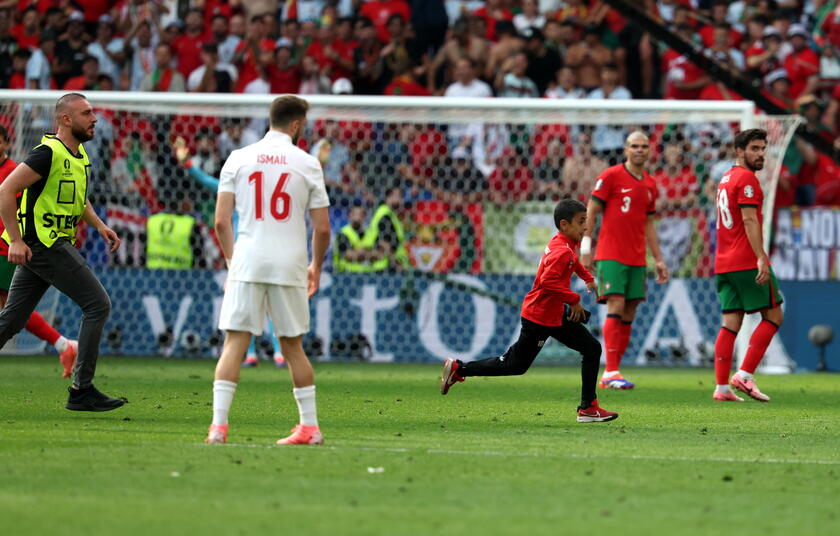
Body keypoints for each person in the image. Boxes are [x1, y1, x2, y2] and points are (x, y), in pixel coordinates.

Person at [207, 95, 331, 445]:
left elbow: (220, 221)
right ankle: (309, 427)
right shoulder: (306, 163)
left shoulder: (238, 158)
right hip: (289, 262)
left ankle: (218, 427)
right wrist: (316, 267)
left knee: (234, 344)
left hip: (247, 260)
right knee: (293, 347)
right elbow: (322, 229)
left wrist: (233, 261)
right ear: (295, 124)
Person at [440, 199, 618, 423]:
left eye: (587, 221)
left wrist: (587, 278)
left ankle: (588, 408)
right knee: (514, 365)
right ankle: (459, 369)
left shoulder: (563, 244)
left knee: (591, 348)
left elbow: (573, 262)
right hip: (539, 317)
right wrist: (573, 298)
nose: (586, 226)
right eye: (581, 221)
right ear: (564, 225)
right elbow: (547, 282)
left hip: (553, 314)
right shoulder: (561, 251)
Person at [0, 93, 124, 412]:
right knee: (97, 304)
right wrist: (15, 239)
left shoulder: (79, 156)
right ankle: (81, 390)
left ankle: (82, 389)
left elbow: (76, 199)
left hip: (43, 245)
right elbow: (5, 190)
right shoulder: (46, 153)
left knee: (11, 320)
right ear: (66, 119)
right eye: (87, 113)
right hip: (44, 243)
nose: (95, 118)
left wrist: (98, 225)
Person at [173, 139, 286, 368]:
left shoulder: (232, 186)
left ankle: (253, 354)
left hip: (240, 253)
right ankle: (277, 354)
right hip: (263, 249)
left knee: (247, 304)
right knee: (269, 302)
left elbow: (204, 181)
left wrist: (187, 164)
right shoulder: (263, 189)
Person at [580, 131, 669, 390]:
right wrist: (587, 246)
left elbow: (649, 224)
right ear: (625, 150)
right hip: (610, 254)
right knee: (616, 305)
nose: (639, 150)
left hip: (637, 257)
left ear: (649, 151)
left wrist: (659, 260)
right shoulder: (610, 176)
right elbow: (592, 210)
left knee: (630, 310)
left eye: (643, 146)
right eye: (634, 146)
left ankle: (614, 370)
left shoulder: (651, 184)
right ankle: (610, 370)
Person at [711, 128, 784, 403]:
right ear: (739, 151)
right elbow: (750, 220)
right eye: (755, 148)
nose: (761, 153)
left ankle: (722, 388)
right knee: (774, 316)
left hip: (723, 262)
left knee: (731, 322)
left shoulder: (725, 178)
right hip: (745, 260)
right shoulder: (746, 179)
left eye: (763, 148)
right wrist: (761, 257)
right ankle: (745, 375)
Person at [0, 124, 78, 377]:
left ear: (6, 143)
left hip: (6, 247)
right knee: (10, 310)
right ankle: (63, 345)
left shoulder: (14, 172)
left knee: (10, 311)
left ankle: (63, 344)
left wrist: (16, 239)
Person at [364, 187, 410, 272]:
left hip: (389, 265)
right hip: (385, 267)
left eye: (401, 196)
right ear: (388, 197)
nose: (400, 199)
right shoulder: (385, 215)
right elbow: (384, 243)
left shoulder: (390, 214)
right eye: (397, 195)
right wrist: (397, 265)